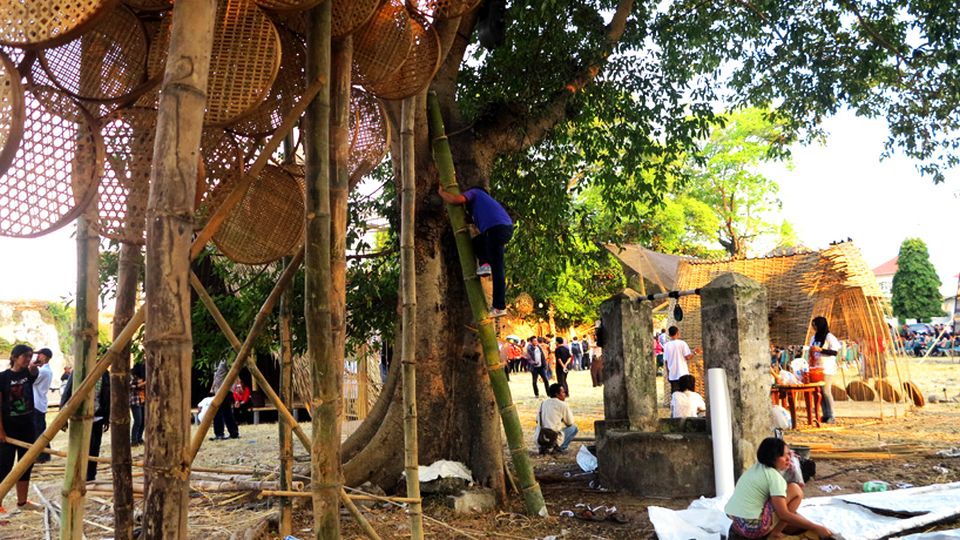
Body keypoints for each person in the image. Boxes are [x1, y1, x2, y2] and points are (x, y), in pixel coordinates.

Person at [725, 437, 834, 539]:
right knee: (796, 490)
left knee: (789, 501)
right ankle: (775, 533)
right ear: (773, 457)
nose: (789, 459)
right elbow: (784, 515)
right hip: (753, 527)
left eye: (789, 454)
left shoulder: (756, 468)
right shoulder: (774, 477)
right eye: (784, 455)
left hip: (737, 523)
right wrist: (816, 527)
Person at [437, 183, 514, 317]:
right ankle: (485, 264)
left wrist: (442, 193)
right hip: (503, 229)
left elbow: (457, 200)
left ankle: (499, 306)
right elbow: (471, 218)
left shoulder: (475, 192)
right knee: (478, 242)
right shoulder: (486, 205)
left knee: (497, 269)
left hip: (495, 229)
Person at [0, 345, 40, 512]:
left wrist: (34, 366)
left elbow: (34, 372)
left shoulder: (28, 374)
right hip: (9, 428)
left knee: (25, 465)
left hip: (28, 427)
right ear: (15, 357)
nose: (28, 359)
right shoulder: (3, 377)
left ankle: (22, 502)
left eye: (30, 356)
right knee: (4, 466)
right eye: (25, 356)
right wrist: (0, 430)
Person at [61, 369, 110, 481]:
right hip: (79, 417)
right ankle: (76, 474)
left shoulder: (104, 373)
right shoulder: (79, 371)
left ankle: (90, 475)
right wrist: (63, 416)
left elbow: (107, 395)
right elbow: (67, 392)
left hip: (97, 415)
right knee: (78, 447)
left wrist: (107, 417)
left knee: (94, 447)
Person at [809, 316, 840, 424]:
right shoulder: (814, 338)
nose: (814, 328)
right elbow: (811, 349)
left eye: (815, 325)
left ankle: (831, 415)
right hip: (816, 368)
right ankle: (825, 414)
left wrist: (821, 350)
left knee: (826, 391)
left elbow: (835, 352)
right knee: (819, 392)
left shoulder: (829, 337)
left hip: (827, 368)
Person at [534, 383, 578, 454]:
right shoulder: (562, 405)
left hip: (540, 437)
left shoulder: (543, 403)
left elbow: (537, 420)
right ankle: (559, 448)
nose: (565, 394)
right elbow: (570, 423)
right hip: (553, 438)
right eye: (563, 392)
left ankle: (544, 448)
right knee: (574, 428)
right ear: (557, 394)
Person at [31, 348, 53, 464]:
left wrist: (31, 367)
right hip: (40, 402)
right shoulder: (45, 370)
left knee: (38, 431)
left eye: (39, 355)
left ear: (44, 357)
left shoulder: (43, 371)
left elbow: (31, 380)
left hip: (37, 403)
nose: (37, 357)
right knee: (40, 430)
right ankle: (45, 454)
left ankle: (42, 455)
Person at [663, 326, 700, 393]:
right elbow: (688, 357)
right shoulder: (682, 343)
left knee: (675, 396)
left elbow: (666, 361)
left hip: (673, 375)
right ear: (677, 333)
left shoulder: (666, 346)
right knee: (685, 394)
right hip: (683, 374)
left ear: (669, 334)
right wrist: (695, 352)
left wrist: (668, 374)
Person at [210, 359, 239, 440]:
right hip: (217, 390)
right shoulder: (216, 361)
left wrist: (238, 385)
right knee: (225, 412)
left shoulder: (225, 360)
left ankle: (221, 433)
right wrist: (212, 388)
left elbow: (234, 371)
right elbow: (216, 377)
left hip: (225, 390)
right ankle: (233, 433)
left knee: (220, 412)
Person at [129, 361, 146, 446]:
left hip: (143, 400)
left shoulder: (142, 376)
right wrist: (143, 383)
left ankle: (139, 438)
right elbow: (131, 386)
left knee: (143, 421)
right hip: (135, 401)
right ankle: (134, 440)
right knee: (138, 421)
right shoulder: (132, 376)